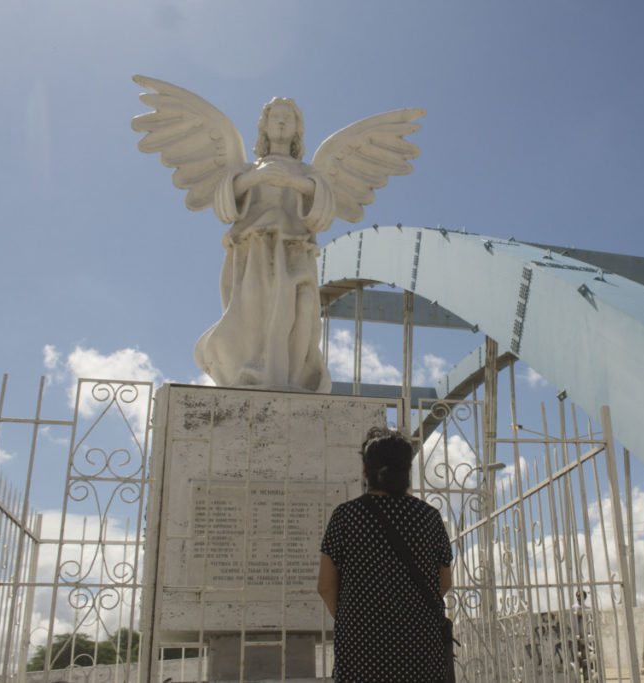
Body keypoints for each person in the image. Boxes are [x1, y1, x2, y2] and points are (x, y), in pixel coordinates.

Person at [194, 96, 334, 391]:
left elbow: (323, 206)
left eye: (289, 117)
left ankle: (291, 377)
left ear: (298, 128)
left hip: (295, 251)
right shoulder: (247, 168)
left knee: (302, 307)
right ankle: (257, 370)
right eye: (275, 117)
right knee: (254, 311)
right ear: (265, 126)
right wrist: (252, 179)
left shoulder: (307, 172)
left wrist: (294, 183)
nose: (281, 121)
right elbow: (225, 206)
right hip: (253, 252)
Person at [318, 427, 453, 682]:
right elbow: (444, 583)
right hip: (421, 654)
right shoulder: (429, 518)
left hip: (360, 655)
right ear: (407, 472)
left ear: (365, 470)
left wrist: (358, 619)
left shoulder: (346, 517)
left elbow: (325, 586)